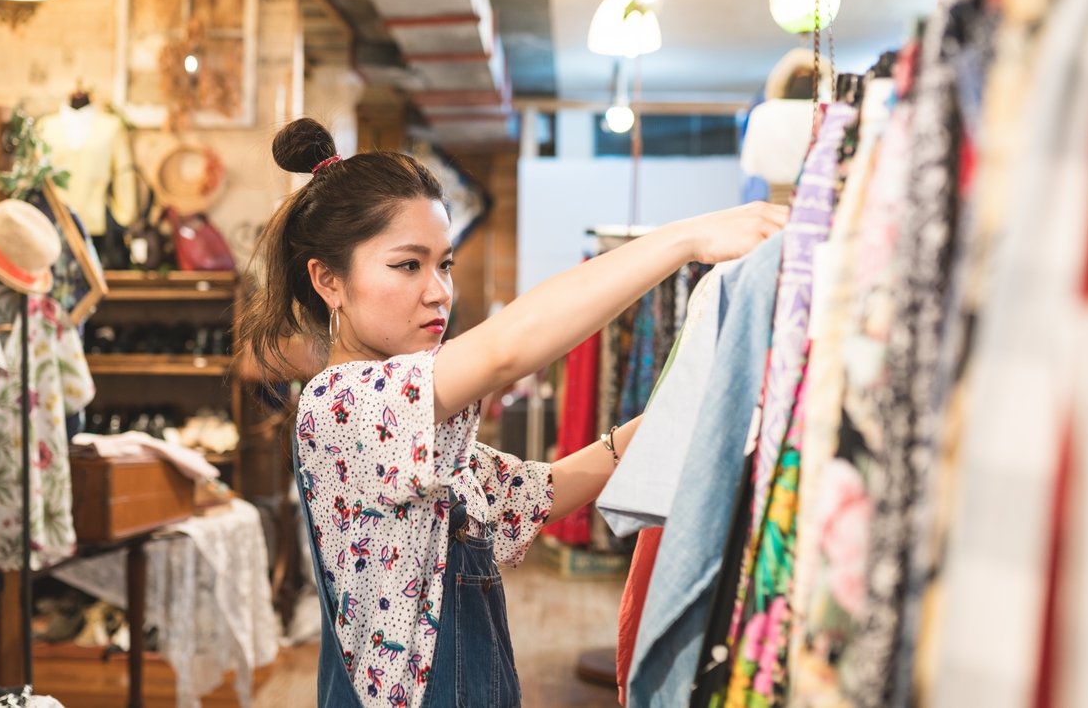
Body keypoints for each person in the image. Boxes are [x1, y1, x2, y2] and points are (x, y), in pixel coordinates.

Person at [237, 118, 788, 708]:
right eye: (407, 265)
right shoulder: (344, 403)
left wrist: (687, 411)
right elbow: (507, 351)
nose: (438, 291)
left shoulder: (413, 425)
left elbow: (536, 492)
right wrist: (686, 239)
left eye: (444, 264)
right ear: (328, 280)